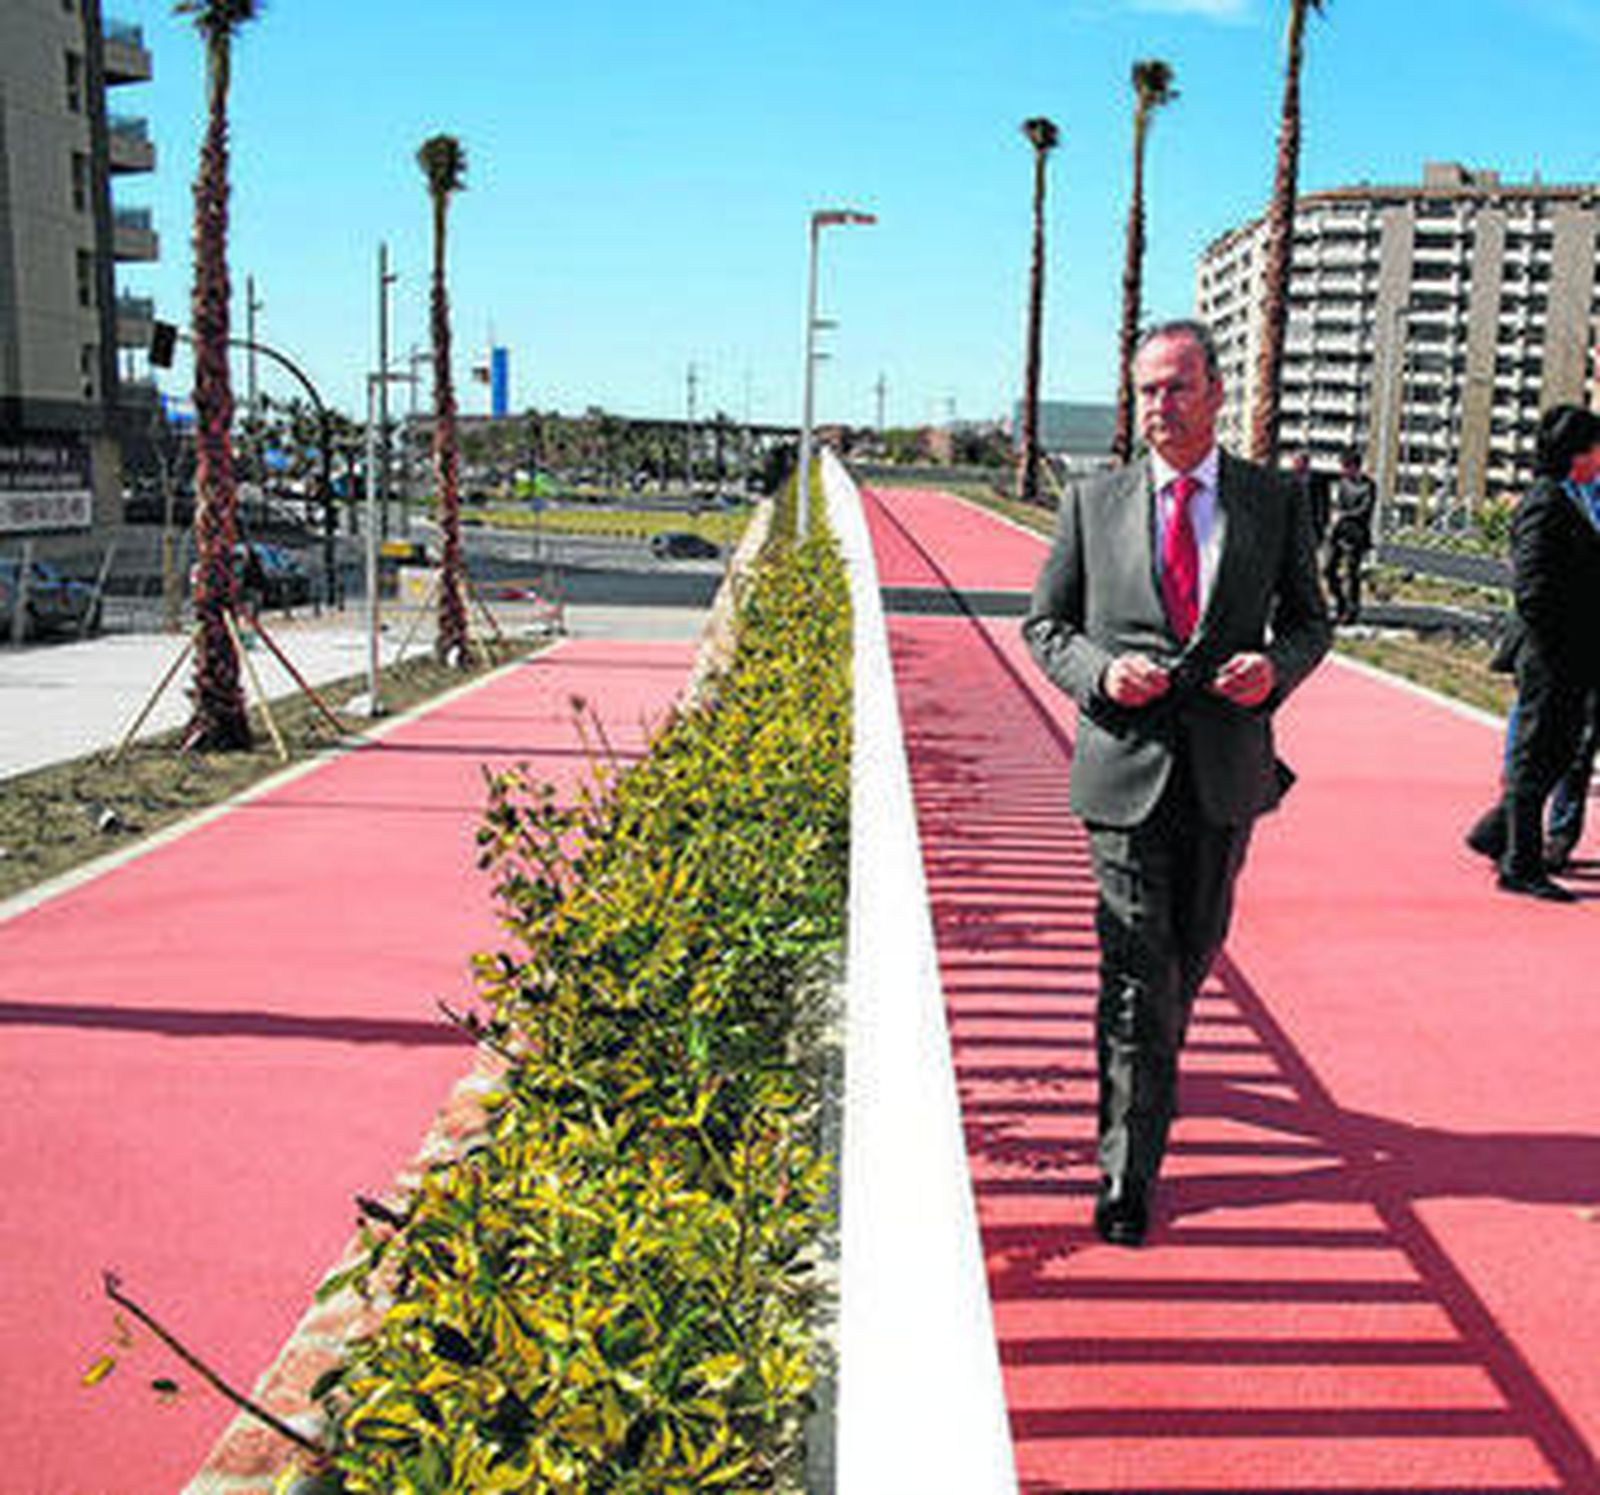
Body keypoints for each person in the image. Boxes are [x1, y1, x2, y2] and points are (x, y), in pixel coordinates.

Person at [1023, 320, 1331, 1247]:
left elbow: (1313, 623)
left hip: (1226, 772)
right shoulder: (1093, 501)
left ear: (1215, 391)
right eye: (1148, 388)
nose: (1161, 403)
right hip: (1121, 768)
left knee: (1187, 957)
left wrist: (1275, 669)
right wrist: (1099, 674)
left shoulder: (1275, 499)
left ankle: (1148, 1073)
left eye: (1178, 386)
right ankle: (1126, 1169)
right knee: (1132, 971)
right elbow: (1045, 625)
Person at [1466, 404, 1600, 899]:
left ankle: (1496, 835)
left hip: (1571, 655)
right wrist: (1566, 645)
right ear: (1578, 453)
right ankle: (1520, 865)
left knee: (1558, 751)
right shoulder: (1545, 504)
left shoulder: (1565, 498)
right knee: (1537, 754)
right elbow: (1534, 590)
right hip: (1552, 655)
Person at [1324, 448, 1375, 623]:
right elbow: (1338, 504)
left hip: (1356, 534)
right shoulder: (1343, 483)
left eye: (1347, 467)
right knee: (1328, 570)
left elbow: (1364, 510)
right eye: (1343, 467)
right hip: (1338, 532)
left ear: (1356, 467)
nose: (1344, 470)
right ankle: (1340, 602)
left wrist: (1344, 515)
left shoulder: (1368, 486)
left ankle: (1351, 611)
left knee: (1352, 574)